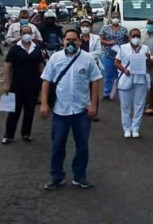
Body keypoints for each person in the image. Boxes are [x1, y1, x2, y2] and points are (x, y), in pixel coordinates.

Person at [40, 29, 103, 190]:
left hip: (81, 110)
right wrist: (44, 104)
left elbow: (95, 81)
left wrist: (93, 105)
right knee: (57, 145)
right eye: (68, 39)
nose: (71, 42)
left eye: (74, 40)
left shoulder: (87, 59)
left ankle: (79, 175)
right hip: (61, 111)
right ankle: (57, 176)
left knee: (82, 145)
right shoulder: (55, 58)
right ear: (63, 41)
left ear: (80, 42)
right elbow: (46, 81)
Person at [2, 25, 44, 144]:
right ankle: (8, 135)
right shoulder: (15, 49)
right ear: (20, 35)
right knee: (14, 111)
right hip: (17, 84)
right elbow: (8, 66)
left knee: (29, 110)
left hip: (33, 84)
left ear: (32, 34)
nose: (26, 34)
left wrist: (43, 84)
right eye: (24, 32)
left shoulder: (36, 49)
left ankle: (26, 133)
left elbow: (40, 66)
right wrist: (6, 83)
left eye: (29, 32)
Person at [115, 28, 150, 138]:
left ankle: (135, 128)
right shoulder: (123, 48)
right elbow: (116, 62)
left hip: (140, 80)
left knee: (139, 105)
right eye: (133, 36)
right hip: (126, 79)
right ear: (129, 37)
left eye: (138, 36)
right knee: (125, 106)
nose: (136, 38)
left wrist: (149, 59)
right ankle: (126, 128)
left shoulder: (145, 48)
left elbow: (149, 65)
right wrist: (124, 70)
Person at [99, 11, 129, 99]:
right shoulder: (105, 28)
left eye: (117, 17)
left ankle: (119, 92)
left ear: (119, 18)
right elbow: (100, 39)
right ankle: (107, 93)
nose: (115, 18)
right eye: (114, 17)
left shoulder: (124, 29)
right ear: (111, 18)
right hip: (108, 54)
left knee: (119, 74)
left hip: (120, 56)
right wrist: (108, 42)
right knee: (108, 74)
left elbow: (127, 40)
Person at [79, 19, 103, 121]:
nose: (85, 28)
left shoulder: (96, 38)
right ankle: (81, 110)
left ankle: (94, 112)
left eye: (87, 26)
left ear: (91, 27)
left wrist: (85, 56)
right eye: (83, 25)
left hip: (92, 65)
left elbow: (98, 52)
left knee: (93, 89)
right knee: (81, 88)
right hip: (79, 66)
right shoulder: (77, 38)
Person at [140, 17, 153, 113]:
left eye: (152, 24)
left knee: (151, 83)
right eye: (149, 23)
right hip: (140, 63)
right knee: (140, 84)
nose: (150, 25)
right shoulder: (141, 33)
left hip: (151, 63)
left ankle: (150, 104)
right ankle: (140, 105)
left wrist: (152, 57)